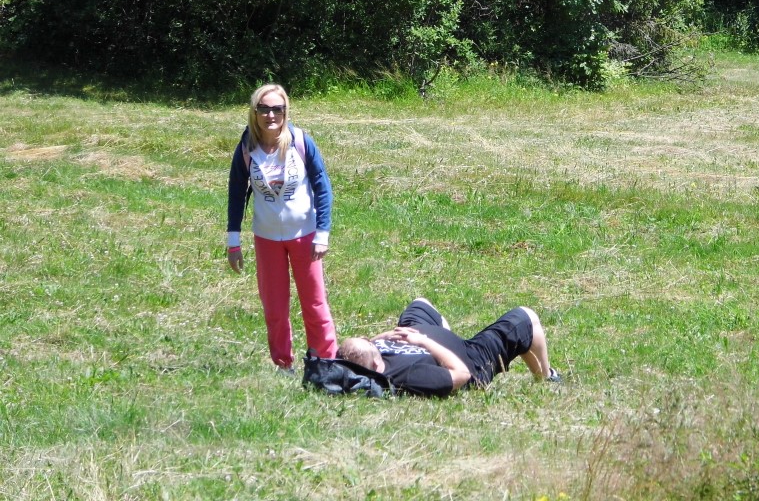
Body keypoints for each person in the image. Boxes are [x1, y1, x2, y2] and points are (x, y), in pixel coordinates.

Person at [226, 83, 337, 372]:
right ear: (254, 112)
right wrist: (233, 242)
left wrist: (322, 233)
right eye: (264, 109)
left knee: (315, 304)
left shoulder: (301, 141)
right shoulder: (247, 148)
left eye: (277, 109)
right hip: (266, 238)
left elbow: (323, 187)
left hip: (305, 236)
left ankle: (325, 362)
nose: (271, 115)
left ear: (286, 111)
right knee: (274, 308)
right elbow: (236, 193)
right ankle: (283, 364)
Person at [338, 298, 561, 397]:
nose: (373, 340)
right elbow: (461, 374)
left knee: (420, 303)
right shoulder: (409, 375)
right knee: (526, 318)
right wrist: (425, 342)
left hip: (420, 334)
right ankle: (546, 377)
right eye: (371, 343)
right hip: (470, 356)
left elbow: (366, 351)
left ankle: (444, 333)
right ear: (374, 365)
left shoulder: (369, 359)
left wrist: (385, 336)